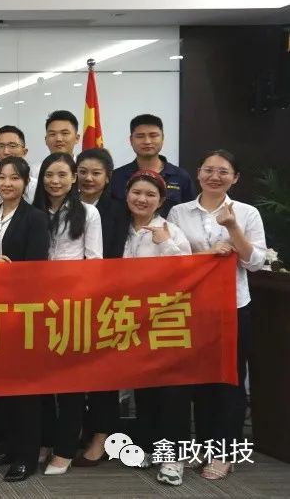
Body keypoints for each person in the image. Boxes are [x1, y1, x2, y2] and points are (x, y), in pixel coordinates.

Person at [168, 150, 266, 481]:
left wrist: (233, 228)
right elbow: (175, 259)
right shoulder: (179, 212)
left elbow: (255, 262)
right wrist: (209, 254)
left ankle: (225, 452)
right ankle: (203, 445)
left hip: (232, 306)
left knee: (229, 379)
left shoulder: (247, 213)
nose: (215, 176)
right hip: (192, 307)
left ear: (235, 178)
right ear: (198, 174)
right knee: (198, 380)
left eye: (223, 171)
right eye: (208, 170)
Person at [112, 170, 193, 486]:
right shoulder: (119, 229)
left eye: (150, 195)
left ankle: (173, 458)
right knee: (143, 386)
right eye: (136, 193)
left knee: (171, 389)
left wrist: (166, 244)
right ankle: (148, 446)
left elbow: (188, 273)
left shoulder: (170, 231)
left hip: (165, 320)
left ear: (160, 201)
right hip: (131, 319)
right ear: (127, 195)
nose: (142, 199)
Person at [31, 153, 102, 477]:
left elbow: (95, 262)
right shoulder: (33, 212)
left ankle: (65, 449)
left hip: (72, 305)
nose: (55, 181)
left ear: (74, 178)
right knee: (40, 382)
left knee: (71, 383)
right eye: (49, 175)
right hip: (35, 305)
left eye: (62, 174)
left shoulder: (88, 212)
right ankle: (46, 441)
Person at [0, 156, 50, 483]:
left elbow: (36, 268)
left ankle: (26, 456)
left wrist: (8, 272)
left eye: (14, 178)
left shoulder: (36, 218)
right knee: (3, 385)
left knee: (26, 388)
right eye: (2, 177)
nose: (7, 183)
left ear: (25, 183)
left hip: (23, 311)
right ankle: (9, 447)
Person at [71, 147, 123, 465]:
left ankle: (102, 437)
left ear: (108, 177)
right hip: (71, 302)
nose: (88, 178)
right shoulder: (67, 204)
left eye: (96, 173)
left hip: (107, 299)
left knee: (103, 372)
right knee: (74, 371)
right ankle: (78, 429)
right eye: (83, 172)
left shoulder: (117, 209)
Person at [110, 114, 195, 216]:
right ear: (131, 140)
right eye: (140, 136)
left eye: (153, 135)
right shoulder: (116, 176)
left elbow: (191, 215)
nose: (147, 141)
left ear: (162, 138)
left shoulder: (181, 176)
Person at [0, 125, 38, 202]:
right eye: (0, 146)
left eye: (12, 146)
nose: (6, 152)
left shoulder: (37, 187)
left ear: (24, 152)